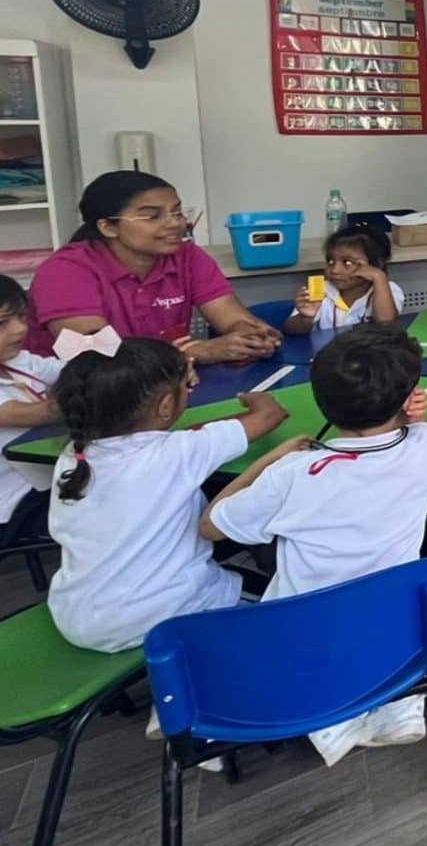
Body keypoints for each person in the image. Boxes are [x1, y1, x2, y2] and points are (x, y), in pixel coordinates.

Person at [199, 322, 427, 766]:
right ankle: (388, 704)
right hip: (392, 630)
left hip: (305, 642)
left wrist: (274, 459)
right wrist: (408, 416)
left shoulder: (294, 476)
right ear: (408, 399)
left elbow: (210, 527)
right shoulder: (423, 446)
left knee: (220, 625)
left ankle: (324, 712)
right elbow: (419, 432)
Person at [46, 333, 287, 654]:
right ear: (165, 406)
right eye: (186, 387)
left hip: (77, 617)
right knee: (283, 598)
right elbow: (270, 414)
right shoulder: (179, 452)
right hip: (164, 612)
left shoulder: (72, 456)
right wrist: (254, 398)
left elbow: (183, 437)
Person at [27, 171, 280, 364]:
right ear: (108, 227)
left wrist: (249, 337)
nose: (175, 224)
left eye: (177, 212)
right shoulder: (65, 271)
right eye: (152, 216)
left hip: (161, 385)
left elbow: (233, 318)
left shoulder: (187, 256)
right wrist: (196, 352)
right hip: (72, 398)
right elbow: (91, 356)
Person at [0, 276, 62, 555]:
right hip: (12, 507)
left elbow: (72, 368)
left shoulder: (17, 361)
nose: (20, 329)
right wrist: (112, 387)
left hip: (43, 486)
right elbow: (32, 414)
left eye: (22, 317)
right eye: (2, 323)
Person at [283, 224, 403, 334]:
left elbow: (386, 324)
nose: (335, 270)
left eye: (348, 262)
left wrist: (379, 277)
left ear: (376, 265)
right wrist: (305, 318)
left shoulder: (388, 289)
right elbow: (291, 331)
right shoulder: (322, 289)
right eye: (330, 262)